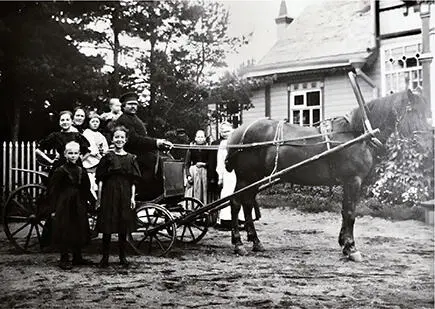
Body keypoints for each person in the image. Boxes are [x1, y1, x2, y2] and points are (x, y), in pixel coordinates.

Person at [96, 126, 141, 268]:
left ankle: (123, 257)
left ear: (126, 140)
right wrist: (99, 198)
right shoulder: (107, 158)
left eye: (122, 137)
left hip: (125, 193)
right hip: (109, 193)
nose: (119, 140)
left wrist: (132, 198)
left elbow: (134, 181)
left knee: (123, 226)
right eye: (117, 137)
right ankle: (105, 258)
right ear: (112, 139)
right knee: (108, 227)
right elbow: (101, 180)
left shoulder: (131, 158)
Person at [114, 91, 172, 199]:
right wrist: (156, 142)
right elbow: (134, 140)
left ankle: (160, 197)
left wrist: (159, 142)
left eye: (135, 104)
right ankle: (146, 198)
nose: (133, 107)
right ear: (123, 106)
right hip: (134, 158)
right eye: (130, 104)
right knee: (152, 167)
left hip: (144, 156)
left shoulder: (135, 118)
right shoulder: (123, 120)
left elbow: (143, 138)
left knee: (164, 161)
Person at [47, 141, 95, 270]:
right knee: (65, 228)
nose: (73, 156)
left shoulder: (81, 170)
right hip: (65, 203)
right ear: (65, 154)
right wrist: (53, 208)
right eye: (70, 153)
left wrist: (92, 202)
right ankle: (64, 258)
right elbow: (53, 190)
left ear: (79, 154)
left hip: (79, 202)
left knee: (78, 228)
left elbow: (86, 188)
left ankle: (77, 257)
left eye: (75, 153)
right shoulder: (60, 171)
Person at [216, 122, 243, 227]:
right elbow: (220, 161)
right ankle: (226, 220)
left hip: (238, 172)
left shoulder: (238, 142)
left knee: (240, 193)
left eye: (227, 131)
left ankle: (241, 219)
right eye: (223, 132)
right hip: (227, 173)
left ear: (232, 130)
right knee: (227, 193)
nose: (225, 133)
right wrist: (220, 177)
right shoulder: (223, 144)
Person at [82, 112, 109, 198]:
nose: (95, 123)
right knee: (91, 183)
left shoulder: (100, 135)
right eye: (92, 121)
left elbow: (105, 147)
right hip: (90, 159)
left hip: (100, 159)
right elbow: (91, 148)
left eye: (97, 122)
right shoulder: (87, 133)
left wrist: (104, 154)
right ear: (89, 122)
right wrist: (100, 157)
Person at [184, 130, 209, 204]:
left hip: (204, 172)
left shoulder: (209, 148)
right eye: (198, 137)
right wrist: (188, 175)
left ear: (204, 138)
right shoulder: (191, 148)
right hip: (194, 172)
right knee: (193, 191)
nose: (200, 139)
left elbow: (211, 162)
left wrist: (204, 164)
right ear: (195, 138)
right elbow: (187, 164)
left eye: (202, 137)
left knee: (203, 190)